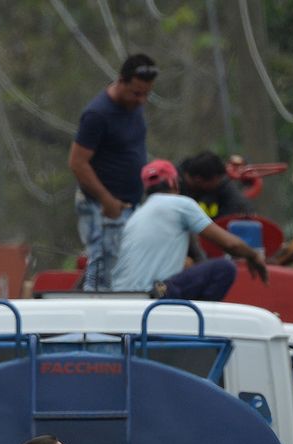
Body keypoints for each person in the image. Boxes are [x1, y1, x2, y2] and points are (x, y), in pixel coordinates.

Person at [112, 160, 268, 301]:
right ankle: (193, 324)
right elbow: (230, 245)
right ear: (174, 183)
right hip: (154, 294)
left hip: (122, 298)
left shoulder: (136, 215)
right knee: (224, 269)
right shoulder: (181, 204)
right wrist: (253, 255)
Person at [69, 53, 158, 290]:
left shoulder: (134, 107)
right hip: (100, 206)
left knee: (120, 266)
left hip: (128, 205)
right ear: (121, 81)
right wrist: (106, 200)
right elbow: (77, 162)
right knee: (102, 267)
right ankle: (92, 321)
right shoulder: (98, 114)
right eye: (136, 93)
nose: (141, 100)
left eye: (147, 94)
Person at [177, 151, 254, 221]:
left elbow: (240, 207)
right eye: (216, 180)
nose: (219, 182)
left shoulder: (220, 184)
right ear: (199, 180)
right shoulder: (173, 186)